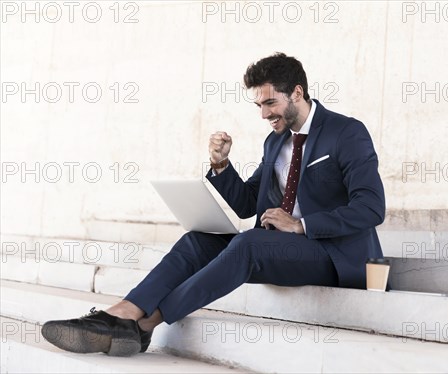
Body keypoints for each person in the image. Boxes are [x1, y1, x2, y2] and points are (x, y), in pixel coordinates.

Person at [41, 52, 386, 356]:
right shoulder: (275, 142)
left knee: (248, 243)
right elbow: (249, 203)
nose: (264, 114)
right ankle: (126, 310)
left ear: (297, 92)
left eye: (269, 103)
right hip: (281, 246)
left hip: (336, 255)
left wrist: (300, 225)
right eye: (258, 106)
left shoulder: (346, 133)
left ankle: (145, 325)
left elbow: (372, 207)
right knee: (199, 239)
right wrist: (221, 165)